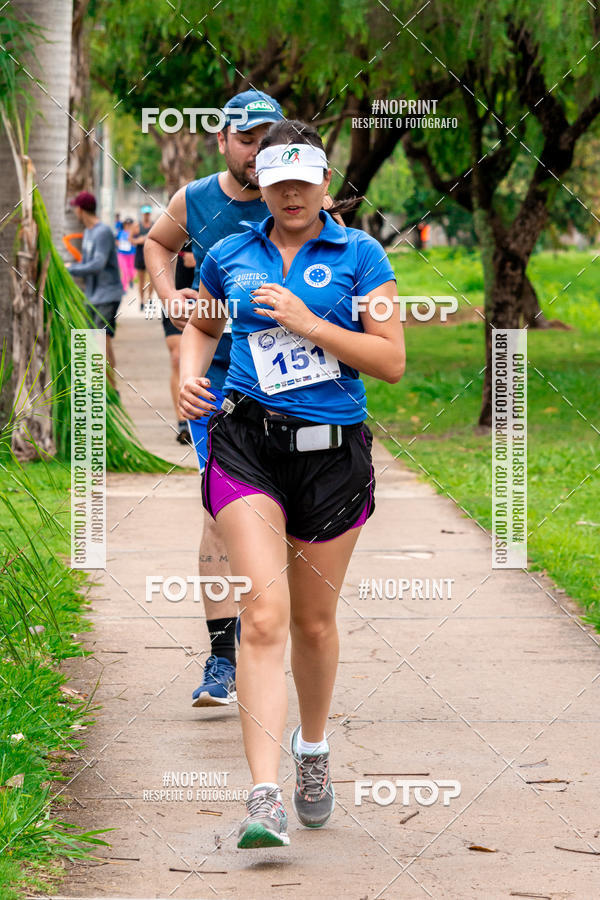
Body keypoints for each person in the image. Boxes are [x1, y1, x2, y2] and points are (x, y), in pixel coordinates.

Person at [178, 120, 405, 849]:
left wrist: (311, 323)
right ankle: (263, 795)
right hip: (246, 444)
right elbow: (205, 326)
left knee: (311, 623)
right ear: (263, 186)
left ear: (325, 184)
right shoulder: (229, 253)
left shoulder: (360, 255)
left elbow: (391, 359)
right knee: (265, 615)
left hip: (332, 455)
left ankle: (312, 752)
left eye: (305, 182)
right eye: (279, 183)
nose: (293, 194)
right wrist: (189, 378)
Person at [144, 90, 286, 705]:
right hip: (219, 386)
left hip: (294, 386)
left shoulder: (298, 196)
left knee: (292, 523)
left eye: (267, 138)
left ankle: (280, 640)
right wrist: (171, 298)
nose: (257, 152)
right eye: (247, 138)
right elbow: (157, 243)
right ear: (223, 140)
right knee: (219, 516)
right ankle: (222, 659)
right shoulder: (196, 199)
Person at [68, 191, 123, 385]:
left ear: (81, 210)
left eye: (76, 207)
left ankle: (109, 391)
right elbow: (89, 262)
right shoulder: (89, 232)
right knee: (100, 343)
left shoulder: (102, 232)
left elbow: (98, 264)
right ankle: (109, 388)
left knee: (101, 343)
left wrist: (70, 270)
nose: (75, 211)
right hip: (93, 297)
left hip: (107, 295)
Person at [131, 205, 153, 310]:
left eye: (148, 213)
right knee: (141, 280)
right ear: (142, 214)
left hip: (150, 255)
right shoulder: (137, 226)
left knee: (152, 279)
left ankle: (149, 298)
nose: (146, 216)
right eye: (145, 214)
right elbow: (130, 239)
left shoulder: (154, 225)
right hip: (140, 255)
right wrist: (139, 240)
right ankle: (141, 301)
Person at [116, 217, 136, 291]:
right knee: (124, 271)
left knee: (131, 271)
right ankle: (124, 288)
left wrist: (133, 242)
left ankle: (131, 279)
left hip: (131, 255)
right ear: (124, 225)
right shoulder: (120, 232)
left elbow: (136, 241)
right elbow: (117, 240)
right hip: (122, 255)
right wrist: (118, 243)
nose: (127, 226)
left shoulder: (133, 233)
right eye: (126, 224)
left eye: (129, 224)